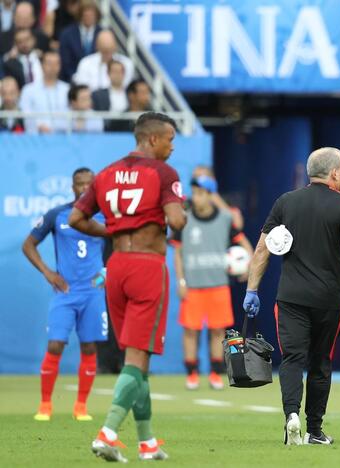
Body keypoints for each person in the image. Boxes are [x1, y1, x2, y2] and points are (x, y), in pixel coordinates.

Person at [69, 112, 186, 462]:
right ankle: (107, 433)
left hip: (115, 267)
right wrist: (184, 213)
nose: (172, 145)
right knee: (136, 358)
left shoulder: (105, 174)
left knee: (138, 358)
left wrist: (114, 231)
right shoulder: (164, 173)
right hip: (147, 266)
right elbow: (177, 220)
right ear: (151, 139)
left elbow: (77, 218)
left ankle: (147, 443)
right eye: (169, 138)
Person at [243, 147, 340, 446]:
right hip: (330, 300)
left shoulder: (285, 202)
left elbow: (262, 249)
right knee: (321, 362)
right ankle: (314, 430)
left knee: (292, 358)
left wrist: (252, 289)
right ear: (334, 173)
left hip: (291, 298)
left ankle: (290, 419)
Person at [22, 167, 106, 422]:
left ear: (95, 188)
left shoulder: (106, 216)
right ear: (72, 187)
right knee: (55, 344)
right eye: (79, 184)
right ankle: (45, 404)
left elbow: (120, 247)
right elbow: (28, 244)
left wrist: (106, 274)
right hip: (66, 292)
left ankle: (81, 406)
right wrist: (48, 273)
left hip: (93, 293)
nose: (84, 188)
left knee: (89, 346)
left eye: (88, 184)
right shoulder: (57, 214)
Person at [172, 175, 251, 391]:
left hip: (218, 285)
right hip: (193, 286)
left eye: (200, 193)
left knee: (217, 331)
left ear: (210, 195)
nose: (195, 197)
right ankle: (192, 374)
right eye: (194, 192)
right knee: (190, 331)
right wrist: (181, 280)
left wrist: (250, 265)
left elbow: (243, 242)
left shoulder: (225, 219)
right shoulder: (184, 218)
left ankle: (215, 374)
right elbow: (178, 253)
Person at [18, 49, 70, 133]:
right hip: (36, 138)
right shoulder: (28, 90)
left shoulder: (67, 89)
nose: (53, 67)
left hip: (63, 137)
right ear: (42, 65)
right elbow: (26, 114)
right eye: (49, 63)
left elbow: (71, 113)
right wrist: (39, 126)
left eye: (56, 64)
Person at [58, 0, 100, 82]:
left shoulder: (103, 34)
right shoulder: (67, 34)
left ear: (96, 15)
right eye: (85, 14)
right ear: (80, 15)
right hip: (72, 81)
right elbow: (65, 62)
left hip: (97, 81)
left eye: (91, 14)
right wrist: (76, 78)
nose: (88, 17)